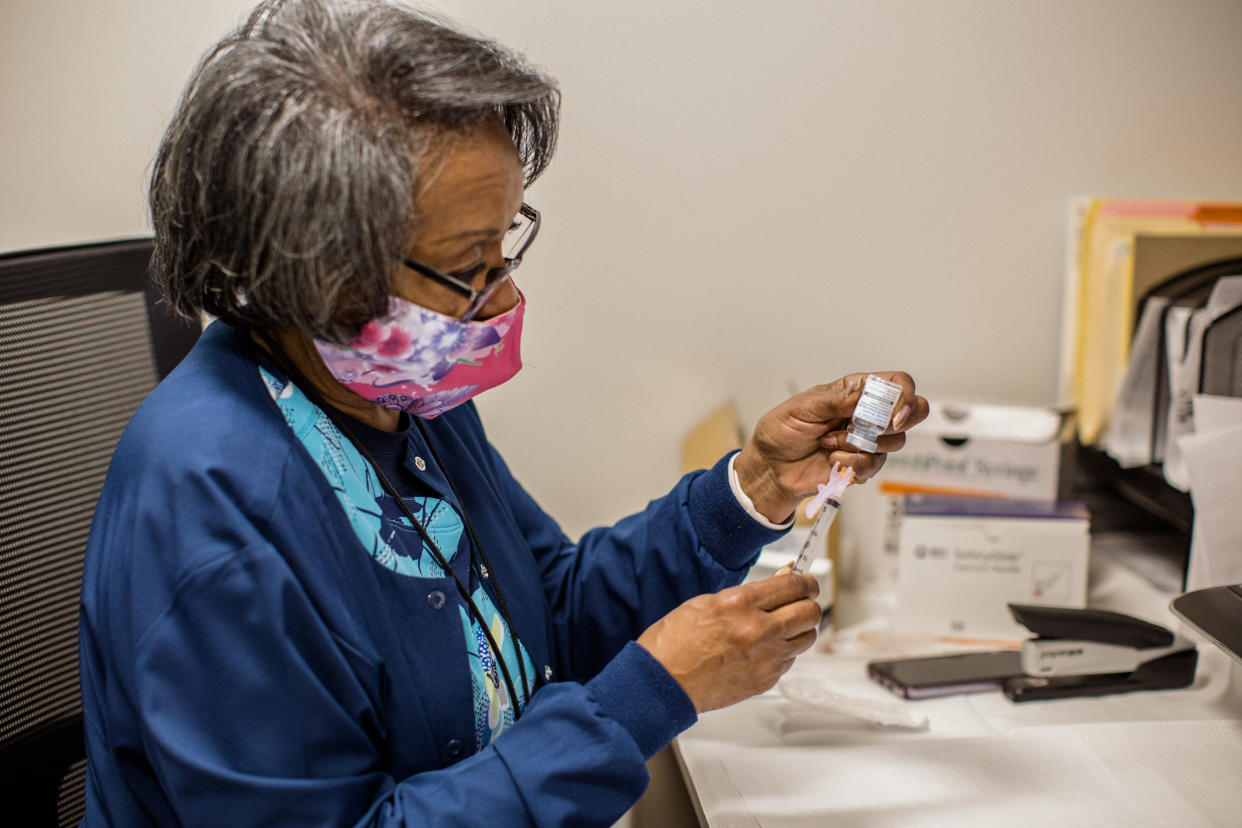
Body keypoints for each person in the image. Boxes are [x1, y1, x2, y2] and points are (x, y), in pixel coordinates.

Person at [78, 1, 929, 825]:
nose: (508, 294)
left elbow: (546, 615)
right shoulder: (213, 516)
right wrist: (650, 694)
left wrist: (755, 488)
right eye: (469, 266)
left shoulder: (397, 392)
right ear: (317, 275)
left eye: (505, 244)